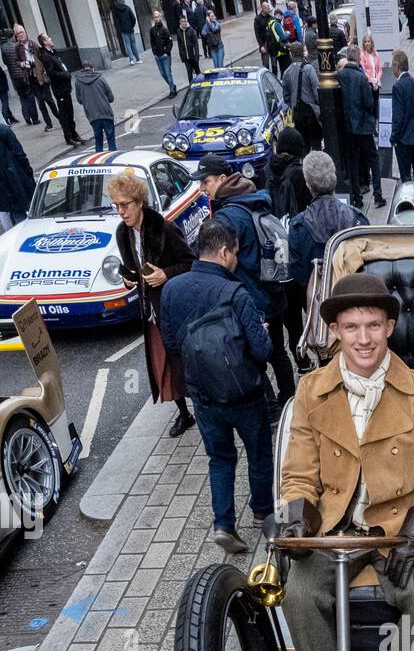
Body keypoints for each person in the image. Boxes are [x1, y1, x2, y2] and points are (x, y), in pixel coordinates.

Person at [279, 273, 414, 651]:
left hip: (397, 533)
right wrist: (298, 521)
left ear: (390, 327)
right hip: (334, 531)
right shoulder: (310, 393)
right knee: (296, 594)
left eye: (373, 326)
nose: (363, 338)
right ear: (335, 330)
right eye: (351, 327)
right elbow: (298, 476)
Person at [161, 218, 275, 555]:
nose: (236, 260)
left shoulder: (172, 289)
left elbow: (171, 344)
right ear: (224, 251)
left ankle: (224, 524)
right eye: (235, 254)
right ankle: (262, 512)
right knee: (258, 454)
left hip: (204, 396)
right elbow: (263, 351)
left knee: (220, 458)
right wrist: (262, 331)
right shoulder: (235, 292)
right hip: (246, 394)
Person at [198, 155, 298, 415]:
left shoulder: (228, 216)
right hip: (273, 291)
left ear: (222, 179)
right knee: (278, 351)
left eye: (205, 181)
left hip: (250, 299)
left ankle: (273, 410)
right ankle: (290, 400)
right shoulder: (255, 197)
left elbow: (220, 260)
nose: (202, 188)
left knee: (252, 357)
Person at [108, 168, 195, 441]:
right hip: (151, 312)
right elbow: (134, 269)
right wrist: (129, 279)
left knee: (187, 361)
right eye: (116, 206)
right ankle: (185, 412)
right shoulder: (123, 233)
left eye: (125, 205)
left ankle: (204, 408)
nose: (121, 212)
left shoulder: (164, 228)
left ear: (139, 202)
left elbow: (191, 263)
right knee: (163, 365)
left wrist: (165, 274)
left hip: (174, 309)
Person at [287, 151, 368, 296]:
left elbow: (298, 276)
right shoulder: (358, 218)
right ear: (334, 178)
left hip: (319, 300)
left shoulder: (297, 226)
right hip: (354, 297)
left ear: (308, 184)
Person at [338, 46, 386, 209]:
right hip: (364, 127)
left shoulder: (340, 76)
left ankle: (357, 198)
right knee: (373, 158)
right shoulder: (360, 78)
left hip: (348, 127)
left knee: (353, 162)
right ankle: (378, 195)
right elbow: (369, 103)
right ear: (358, 58)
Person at [36, 35, 84, 147]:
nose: (51, 39)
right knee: (64, 114)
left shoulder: (54, 53)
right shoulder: (46, 56)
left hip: (65, 88)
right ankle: (68, 137)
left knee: (70, 113)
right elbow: (52, 73)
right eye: (48, 38)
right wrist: (65, 75)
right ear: (44, 42)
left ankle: (74, 134)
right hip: (60, 89)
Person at [391, 50, 414, 183]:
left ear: (396, 66)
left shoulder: (398, 87)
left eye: (392, 66)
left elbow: (398, 117)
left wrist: (394, 137)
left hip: (404, 139)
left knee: (405, 176)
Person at [12, 25, 57, 133]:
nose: (21, 35)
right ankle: (49, 124)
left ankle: (61, 118)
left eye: (22, 32)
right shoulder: (17, 48)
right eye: (18, 33)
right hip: (31, 77)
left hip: (41, 75)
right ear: (16, 36)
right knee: (40, 102)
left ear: (25, 32)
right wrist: (22, 64)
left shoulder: (33, 44)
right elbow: (16, 61)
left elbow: (42, 57)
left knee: (49, 100)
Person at [264, 125, 310, 219]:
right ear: (299, 151)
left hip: (269, 229)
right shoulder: (301, 173)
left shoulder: (264, 171)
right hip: (294, 227)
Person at [283, 42, 321, 153]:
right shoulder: (309, 69)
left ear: (291, 55)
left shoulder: (286, 72)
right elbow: (316, 90)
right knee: (316, 144)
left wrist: (293, 105)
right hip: (311, 112)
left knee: (304, 146)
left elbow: (286, 96)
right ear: (303, 54)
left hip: (297, 114)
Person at [75, 63, 116, 152]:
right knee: (111, 139)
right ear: (92, 69)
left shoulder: (78, 82)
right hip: (105, 112)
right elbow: (111, 97)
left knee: (98, 140)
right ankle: (112, 158)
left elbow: (79, 100)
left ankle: (98, 159)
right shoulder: (100, 78)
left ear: (82, 69)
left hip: (92, 115)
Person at [0, 123, 35, 227]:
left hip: (6, 184)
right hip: (13, 180)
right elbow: (19, 154)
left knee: (10, 213)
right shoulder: (3, 130)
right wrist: (28, 172)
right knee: (27, 210)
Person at [148, 10, 178, 99]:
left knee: (168, 73)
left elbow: (170, 42)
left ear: (160, 18)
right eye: (155, 17)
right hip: (157, 55)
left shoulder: (164, 30)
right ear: (153, 18)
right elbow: (152, 42)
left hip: (165, 56)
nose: (156, 18)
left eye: (158, 17)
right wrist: (154, 54)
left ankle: (172, 91)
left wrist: (167, 52)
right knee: (162, 73)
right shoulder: (152, 30)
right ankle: (172, 85)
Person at [112, 0, 142, 65]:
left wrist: (119, 29)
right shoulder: (128, 8)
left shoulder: (115, 10)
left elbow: (116, 21)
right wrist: (132, 26)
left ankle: (131, 60)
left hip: (123, 30)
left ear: (118, 1)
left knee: (127, 45)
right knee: (133, 44)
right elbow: (133, 18)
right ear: (123, 1)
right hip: (130, 29)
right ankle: (138, 59)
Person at [177, 15, 201, 84]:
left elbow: (196, 44)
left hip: (193, 56)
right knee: (189, 73)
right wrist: (182, 56)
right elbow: (179, 45)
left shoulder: (191, 30)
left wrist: (197, 56)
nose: (184, 23)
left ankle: (201, 85)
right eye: (182, 21)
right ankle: (191, 87)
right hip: (186, 57)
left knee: (198, 72)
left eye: (185, 21)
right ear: (180, 22)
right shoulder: (179, 31)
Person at [255, 0, 276, 69]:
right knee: (266, 65)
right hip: (264, 44)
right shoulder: (257, 19)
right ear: (263, 8)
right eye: (267, 8)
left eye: (269, 8)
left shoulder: (271, 18)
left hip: (272, 44)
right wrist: (261, 45)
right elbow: (257, 34)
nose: (269, 10)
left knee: (274, 65)